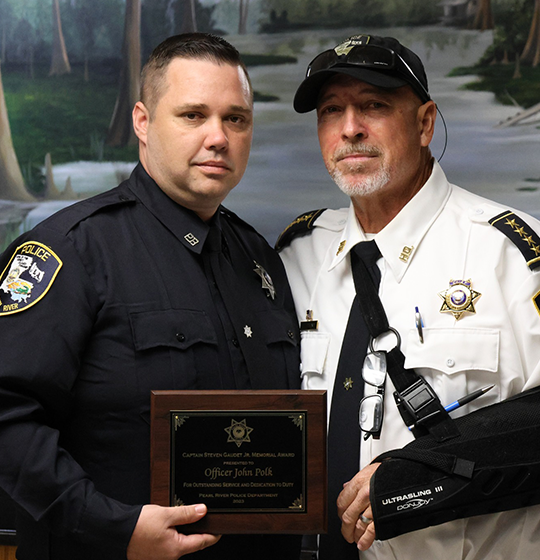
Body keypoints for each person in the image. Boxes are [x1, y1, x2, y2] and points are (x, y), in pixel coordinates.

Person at [0, 33, 301, 560]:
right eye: (192, 115)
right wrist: (112, 528)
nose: (218, 137)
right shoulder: (67, 251)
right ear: (142, 121)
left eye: (236, 119)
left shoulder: (259, 261)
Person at [278, 33, 540, 560]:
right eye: (332, 110)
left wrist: (423, 475)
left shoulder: (510, 255)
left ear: (424, 123)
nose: (350, 128)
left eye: (373, 105)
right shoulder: (294, 255)